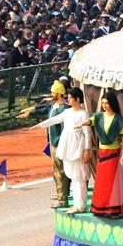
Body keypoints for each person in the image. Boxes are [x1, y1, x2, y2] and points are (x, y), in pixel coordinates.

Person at [35, 86, 91, 212]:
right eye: (68, 98)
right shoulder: (68, 112)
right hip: (68, 146)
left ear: (77, 99)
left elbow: (87, 134)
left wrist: (87, 150)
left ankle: (80, 205)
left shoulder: (83, 114)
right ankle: (77, 204)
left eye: (71, 98)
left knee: (79, 177)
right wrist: (40, 125)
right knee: (72, 174)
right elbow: (54, 120)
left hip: (77, 147)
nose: (68, 100)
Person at [75, 91, 123, 218]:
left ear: (112, 104)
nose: (105, 105)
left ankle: (113, 210)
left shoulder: (118, 120)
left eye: (107, 103)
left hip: (114, 154)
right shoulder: (99, 116)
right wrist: (81, 123)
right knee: (101, 182)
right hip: (102, 153)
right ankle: (100, 208)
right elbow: (90, 121)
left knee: (112, 183)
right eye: (103, 103)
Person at [45, 80, 70, 209]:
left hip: (59, 144)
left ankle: (62, 199)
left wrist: (61, 143)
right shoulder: (54, 106)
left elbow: (65, 129)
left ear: (59, 93)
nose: (51, 94)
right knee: (56, 171)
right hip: (52, 143)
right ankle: (61, 194)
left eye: (53, 92)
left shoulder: (64, 109)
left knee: (61, 172)